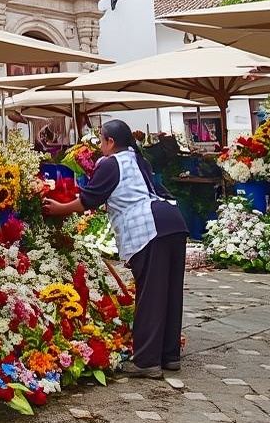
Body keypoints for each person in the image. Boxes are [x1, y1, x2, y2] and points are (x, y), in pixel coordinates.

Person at [42, 119, 188, 378]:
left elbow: (89, 199)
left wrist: (59, 209)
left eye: (101, 140)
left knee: (151, 295)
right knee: (170, 292)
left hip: (149, 227)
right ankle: (169, 356)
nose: (99, 145)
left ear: (110, 142)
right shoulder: (139, 160)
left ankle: (146, 362)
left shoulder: (111, 163)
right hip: (173, 221)